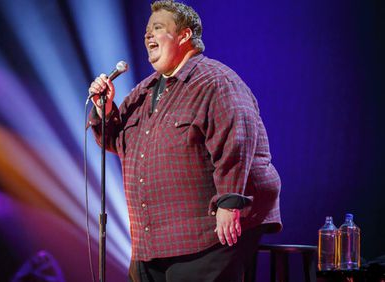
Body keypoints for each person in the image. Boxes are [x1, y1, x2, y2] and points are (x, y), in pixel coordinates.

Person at [87, 1, 281, 281]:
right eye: (146, 32)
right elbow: (115, 142)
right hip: (153, 244)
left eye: (157, 28)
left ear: (184, 35)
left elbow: (237, 139)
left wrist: (229, 202)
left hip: (207, 239)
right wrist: (104, 110)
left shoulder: (215, 81)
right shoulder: (144, 91)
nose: (148, 36)